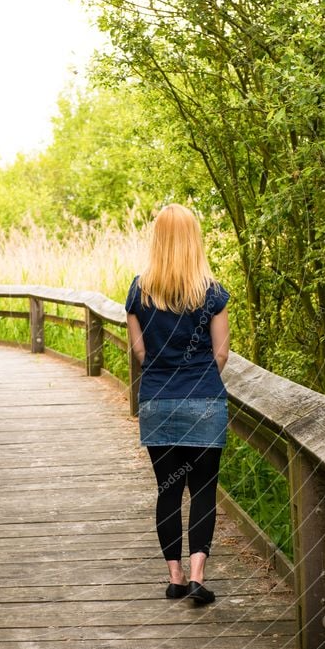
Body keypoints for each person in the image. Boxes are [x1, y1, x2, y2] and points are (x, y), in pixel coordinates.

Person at [125, 203, 230, 605]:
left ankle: (176, 578)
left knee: (168, 490)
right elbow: (221, 354)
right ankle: (200, 574)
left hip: (158, 401)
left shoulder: (139, 290)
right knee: (203, 489)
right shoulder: (212, 292)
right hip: (203, 399)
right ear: (193, 239)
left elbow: (140, 353)